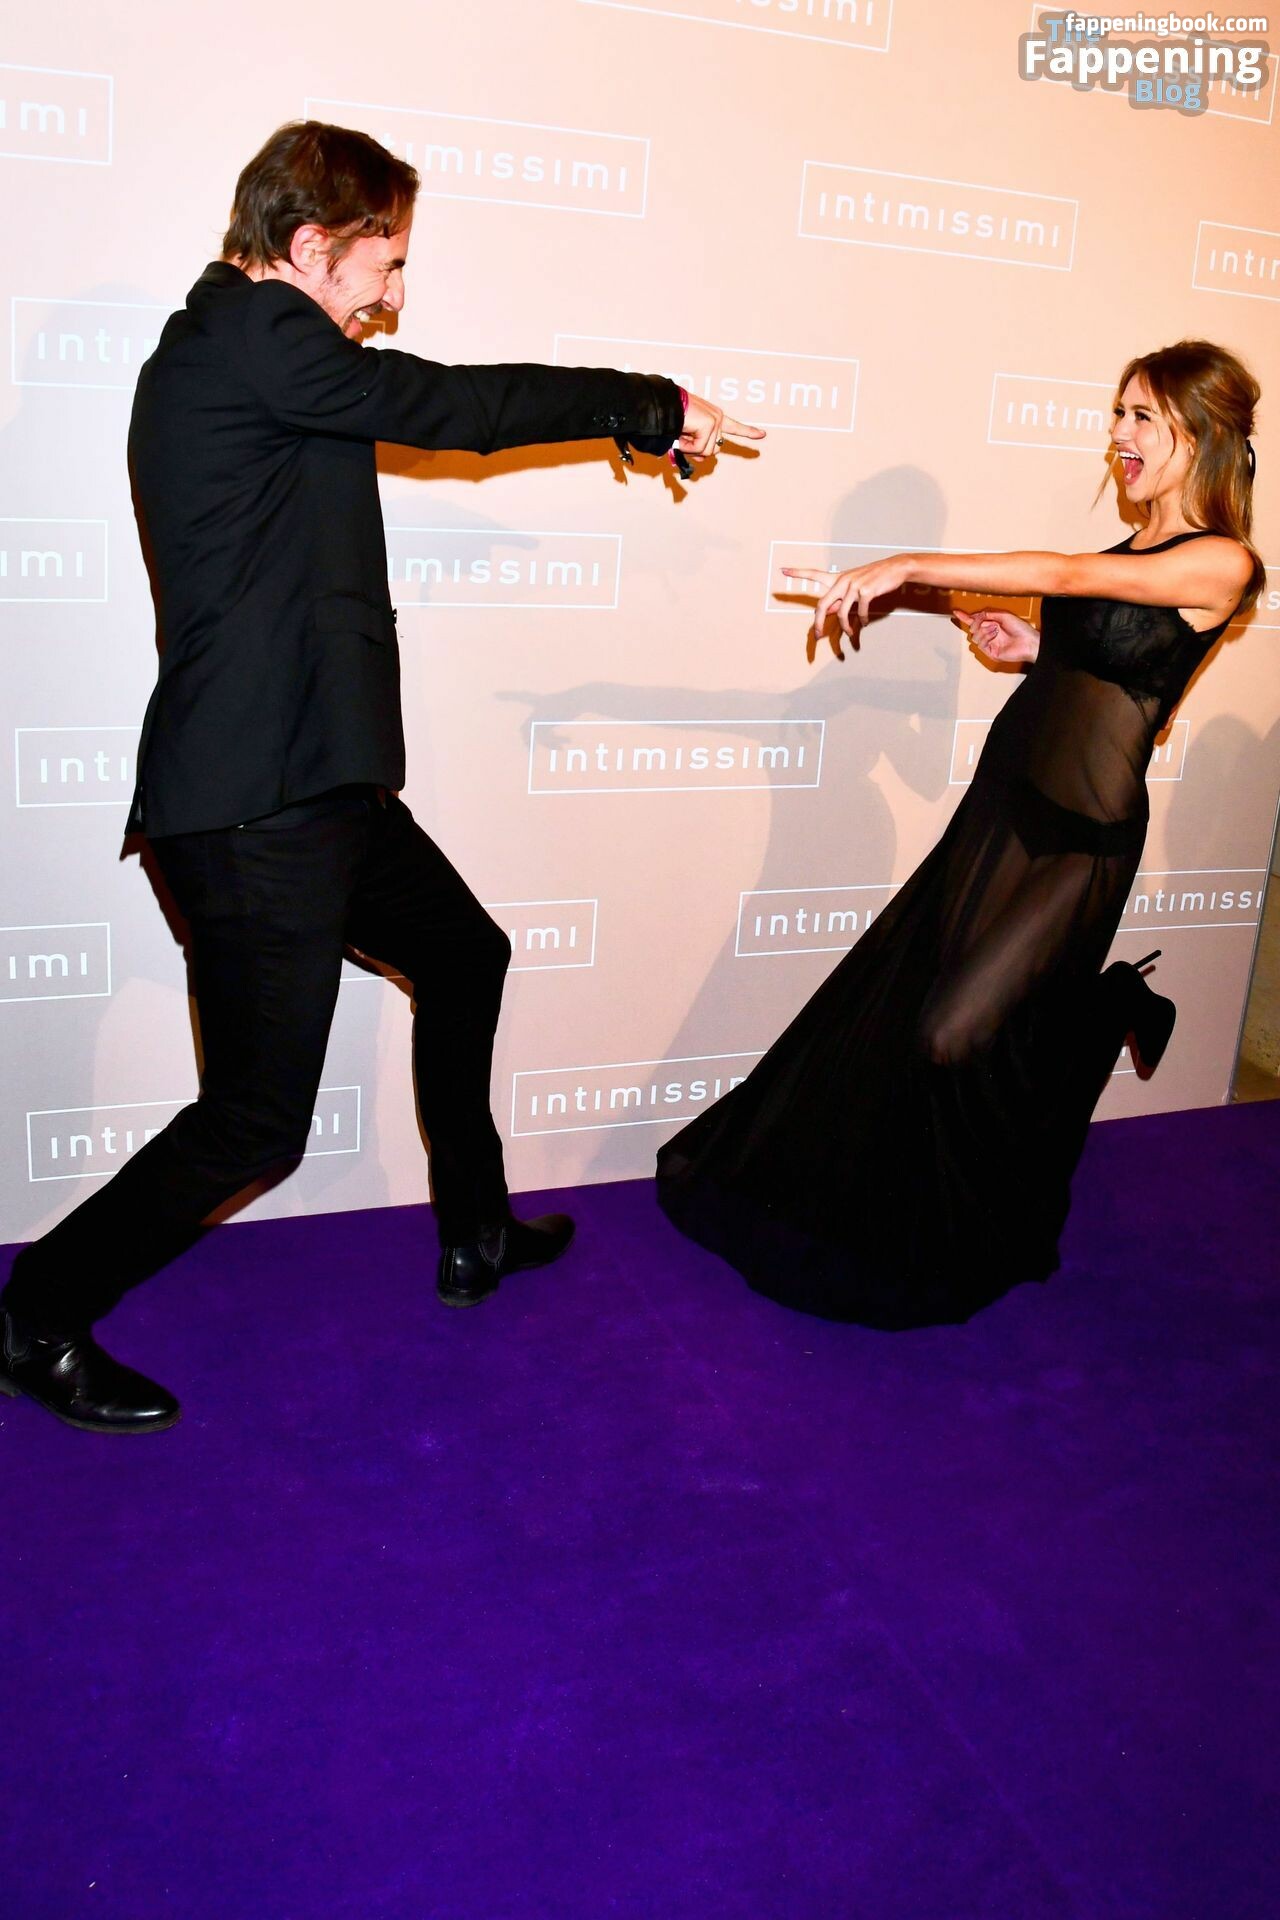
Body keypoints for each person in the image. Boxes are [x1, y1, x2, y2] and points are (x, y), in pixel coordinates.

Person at [0, 121, 763, 1434]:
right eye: (386, 263)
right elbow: (453, 411)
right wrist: (651, 403)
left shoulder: (256, 361)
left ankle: (475, 1227)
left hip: (317, 787)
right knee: (257, 1123)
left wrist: (624, 445)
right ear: (310, 248)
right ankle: (34, 1317)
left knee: (465, 954)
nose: (393, 296)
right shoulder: (253, 335)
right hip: (259, 807)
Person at [657, 339, 1262, 1328]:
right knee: (922, 1007)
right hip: (1002, 809)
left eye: (1139, 417)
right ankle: (1048, 1050)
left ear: (1197, 434)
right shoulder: (1128, 553)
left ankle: (1099, 1014)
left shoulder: (1222, 559)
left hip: (1081, 841)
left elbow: (1062, 574)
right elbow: (1100, 654)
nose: (1116, 435)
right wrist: (1024, 645)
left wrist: (907, 564)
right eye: (1116, 413)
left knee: (952, 1034)